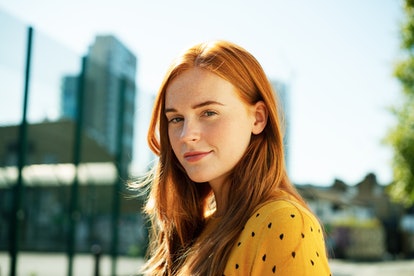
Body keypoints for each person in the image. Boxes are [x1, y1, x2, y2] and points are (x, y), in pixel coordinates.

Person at [134, 40, 332, 275]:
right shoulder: (202, 227)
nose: (187, 135)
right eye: (176, 119)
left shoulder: (284, 222)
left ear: (257, 118)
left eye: (209, 113)